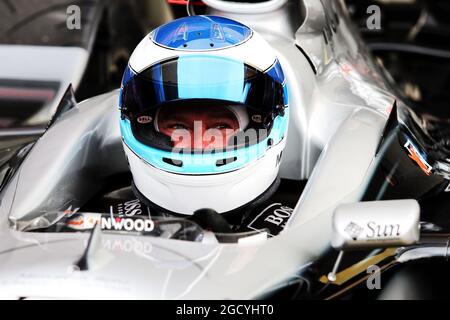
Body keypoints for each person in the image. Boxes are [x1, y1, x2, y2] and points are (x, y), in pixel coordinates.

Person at [80, 15, 302, 237]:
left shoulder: (303, 232)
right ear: (145, 127)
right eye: (177, 126)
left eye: (221, 126)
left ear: (259, 125)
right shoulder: (100, 226)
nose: (198, 141)